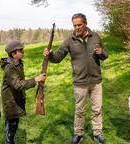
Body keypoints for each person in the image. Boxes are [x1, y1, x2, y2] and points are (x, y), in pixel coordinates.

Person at [44, 13, 108, 144]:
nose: (77, 28)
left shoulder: (95, 37)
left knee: (97, 109)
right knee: (80, 110)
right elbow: (58, 57)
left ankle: (97, 133)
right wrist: (50, 55)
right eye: (74, 25)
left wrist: (102, 53)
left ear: (85, 23)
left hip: (96, 81)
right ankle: (78, 134)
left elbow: (105, 54)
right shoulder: (69, 40)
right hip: (80, 82)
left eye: (79, 25)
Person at [0, 40, 46, 144]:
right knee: (11, 129)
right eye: (20, 50)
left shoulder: (18, 63)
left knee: (13, 126)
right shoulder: (10, 67)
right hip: (11, 103)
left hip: (15, 101)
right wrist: (35, 79)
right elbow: (18, 84)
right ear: (13, 54)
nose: (23, 52)